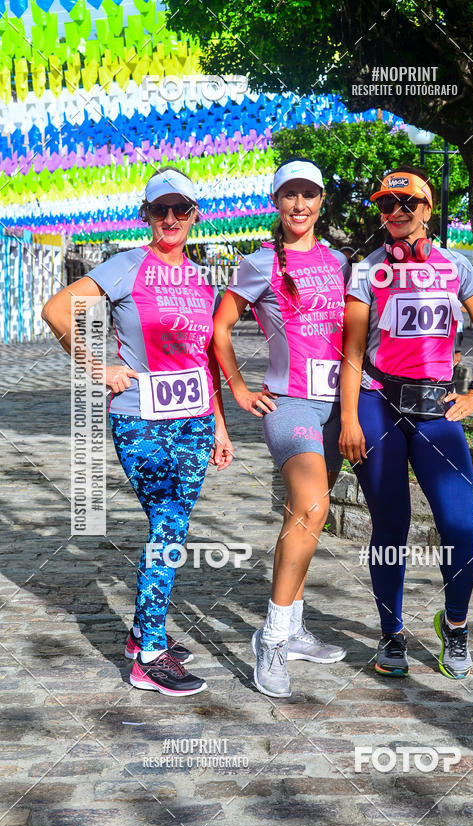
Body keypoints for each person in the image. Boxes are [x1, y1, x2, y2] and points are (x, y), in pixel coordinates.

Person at [42, 166, 233, 696]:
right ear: (145, 215)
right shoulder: (126, 266)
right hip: (139, 420)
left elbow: (206, 362)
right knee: (169, 528)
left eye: (181, 210)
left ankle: (140, 635)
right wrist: (96, 367)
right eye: (159, 210)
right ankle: (149, 656)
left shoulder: (200, 280)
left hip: (194, 421)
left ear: (195, 216)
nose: (170, 219)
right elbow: (58, 310)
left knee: (168, 530)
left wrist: (219, 425)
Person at [339, 165, 473, 680]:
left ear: (428, 209)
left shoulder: (456, 267)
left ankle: (455, 625)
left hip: (436, 409)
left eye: (408, 205)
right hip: (378, 402)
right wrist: (349, 418)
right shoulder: (366, 270)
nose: (398, 214)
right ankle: (391, 634)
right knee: (391, 523)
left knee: (459, 526)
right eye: (387, 206)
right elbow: (354, 352)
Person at [213, 158, 349, 697]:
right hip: (290, 405)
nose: (299, 205)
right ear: (276, 202)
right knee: (313, 505)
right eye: (289, 195)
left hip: (338, 406)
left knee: (307, 515)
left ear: (321, 202)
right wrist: (241, 389)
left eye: (308, 195)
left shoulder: (341, 262)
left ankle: (291, 627)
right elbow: (220, 328)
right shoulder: (259, 263)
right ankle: (270, 636)